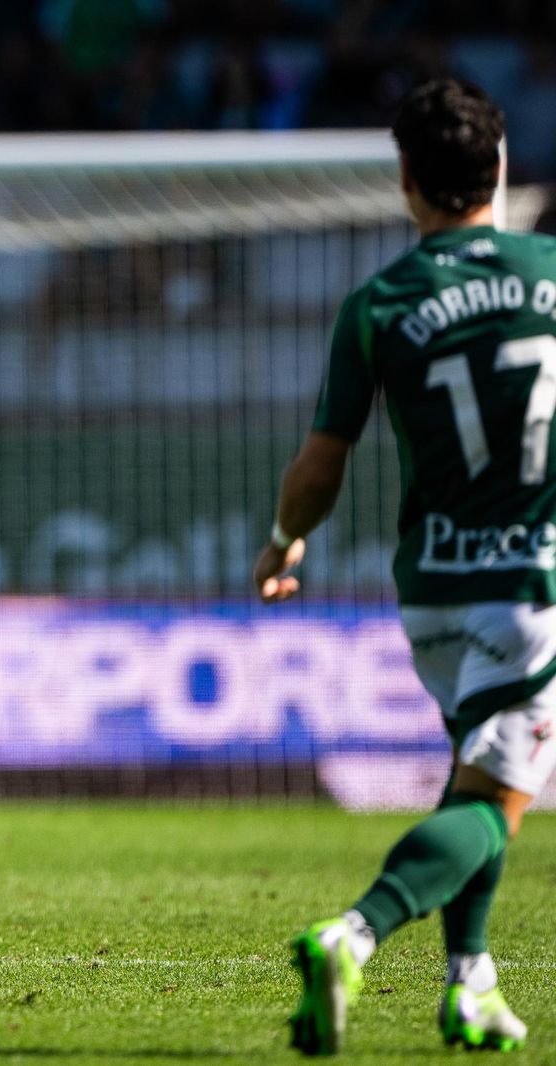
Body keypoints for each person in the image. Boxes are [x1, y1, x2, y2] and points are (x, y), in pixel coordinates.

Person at [254, 78, 549, 1055]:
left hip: (430, 592)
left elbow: (319, 466)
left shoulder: (377, 303)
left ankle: (470, 982)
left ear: (407, 180)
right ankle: (353, 934)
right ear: (499, 168)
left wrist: (284, 538)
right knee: (497, 802)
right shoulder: (552, 273)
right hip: (531, 585)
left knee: (477, 774)